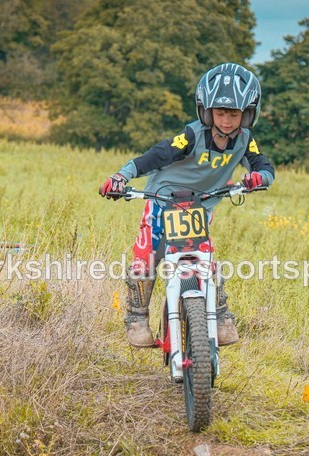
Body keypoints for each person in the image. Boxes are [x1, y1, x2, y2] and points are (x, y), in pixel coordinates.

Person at [100, 62, 275, 348]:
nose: (227, 120)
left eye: (234, 113)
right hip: (164, 198)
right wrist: (122, 175)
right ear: (207, 110)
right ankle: (137, 317)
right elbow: (156, 156)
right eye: (220, 112)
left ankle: (220, 315)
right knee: (148, 255)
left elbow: (262, 164)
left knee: (204, 258)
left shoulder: (245, 141)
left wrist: (259, 177)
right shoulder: (193, 135)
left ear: (247, 114)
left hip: (200, 205)